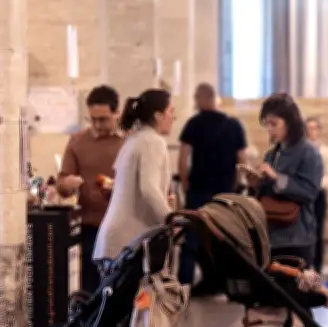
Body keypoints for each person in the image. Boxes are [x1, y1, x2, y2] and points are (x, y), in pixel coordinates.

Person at [93, 89, 175, 270]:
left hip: (116, 240)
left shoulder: (135, 139)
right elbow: (149, 189)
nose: (173, 118)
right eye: (171, 111)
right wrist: (171, 220)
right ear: (158, 115)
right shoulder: (152, 141)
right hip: (128, 242)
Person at [177, 83, 249, 287]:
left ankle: (184, 285)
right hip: (224, 192)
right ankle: (230, 284)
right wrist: (234, 186)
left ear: (201, 99)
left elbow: (183, 159)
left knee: (191, 238)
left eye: (195, 99)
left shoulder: (193, 124)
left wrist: (185, 184)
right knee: (225, 239)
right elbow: (242, 161)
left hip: (199, 190)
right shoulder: (234, 125)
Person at [56, 85, 125, 293]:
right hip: (90, 227)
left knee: (120, 287)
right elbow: (62, 183)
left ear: (116, 113)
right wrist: (67, 185)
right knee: (90, 289)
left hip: (123, 226)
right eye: (92, 119)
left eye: (103, 119)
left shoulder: (129, 142)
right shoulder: (78, 141)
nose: (97, 125)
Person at [247, 93, 322, 266]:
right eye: (267, 124)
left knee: (296, 291)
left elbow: (309, 192)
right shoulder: (271, 154)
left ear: (290, 122)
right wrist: (256, 184)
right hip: (270, 235)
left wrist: (277, 178)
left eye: (274, 124)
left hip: (297, 237)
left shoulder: (309, 153)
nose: (270, 129)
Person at [306, 117, 328, 273]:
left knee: (318, 232)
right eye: (309, 128)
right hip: (302, 195)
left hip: (318, 195)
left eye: (314, 128)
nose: (312, 131)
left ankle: (317, 268)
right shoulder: (299, 149)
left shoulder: (325, 151)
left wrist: (317, 184)